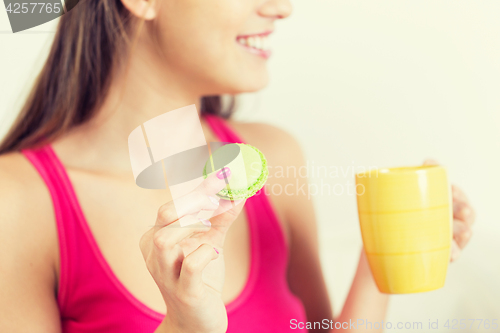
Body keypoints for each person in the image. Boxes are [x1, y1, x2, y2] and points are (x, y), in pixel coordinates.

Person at [0, 0, 476, 332]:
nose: (282, 6)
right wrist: (185, 326)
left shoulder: (274, 157)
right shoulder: (18, 201)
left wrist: (382, 259)